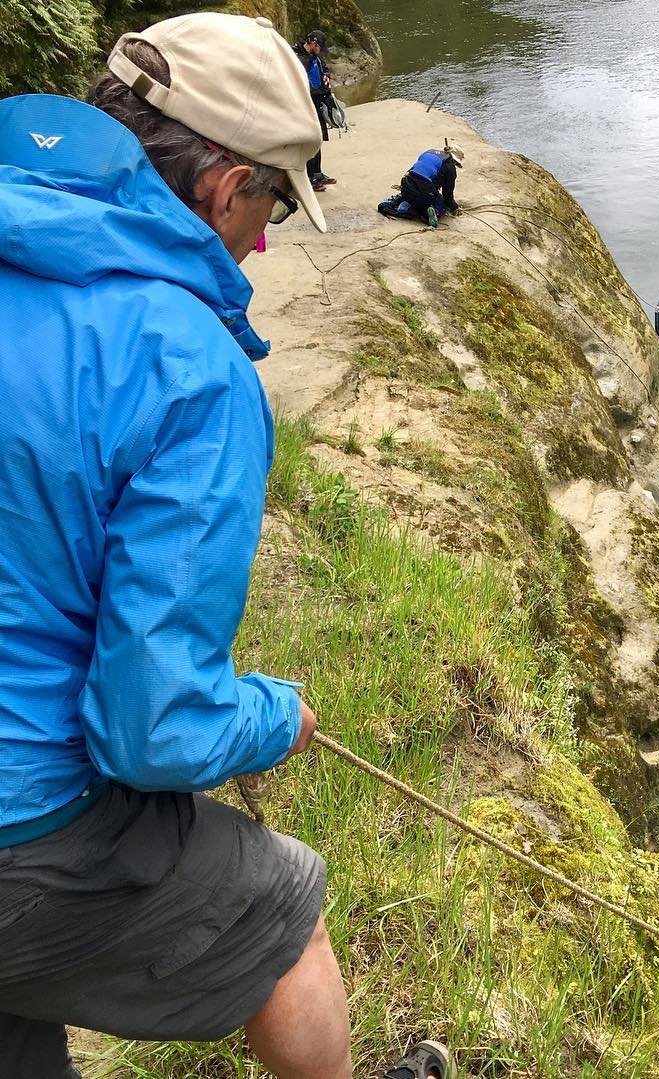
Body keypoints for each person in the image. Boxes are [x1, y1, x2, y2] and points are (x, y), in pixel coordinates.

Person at [0, 13, 450, 1079]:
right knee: (286, 910)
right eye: (269, 206)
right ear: (221, 184)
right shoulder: (190, 365)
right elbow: (146, 727)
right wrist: (269, 715)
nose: (262, 241)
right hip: (20, 827)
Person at [293, 29, 337, 191]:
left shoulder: (314, 56)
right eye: (320, 48)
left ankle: (317, 174)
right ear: (313, 43)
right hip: (304, 107)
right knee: (309, 141)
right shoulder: (297, 59)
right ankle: (309, 178)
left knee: (317, 140)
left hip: (316, 104)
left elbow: (323, 67)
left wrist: (326, 74)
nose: (321, 52)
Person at [401, 142, 464, 227]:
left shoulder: (429, 152)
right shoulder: (449, 166)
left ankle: (404, 205)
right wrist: (454, 207)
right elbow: (447, 196)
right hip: (423, 191)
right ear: (454, 160)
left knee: (414, 196)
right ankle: (429, 212)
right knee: (441, 203)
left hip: (406, 184)